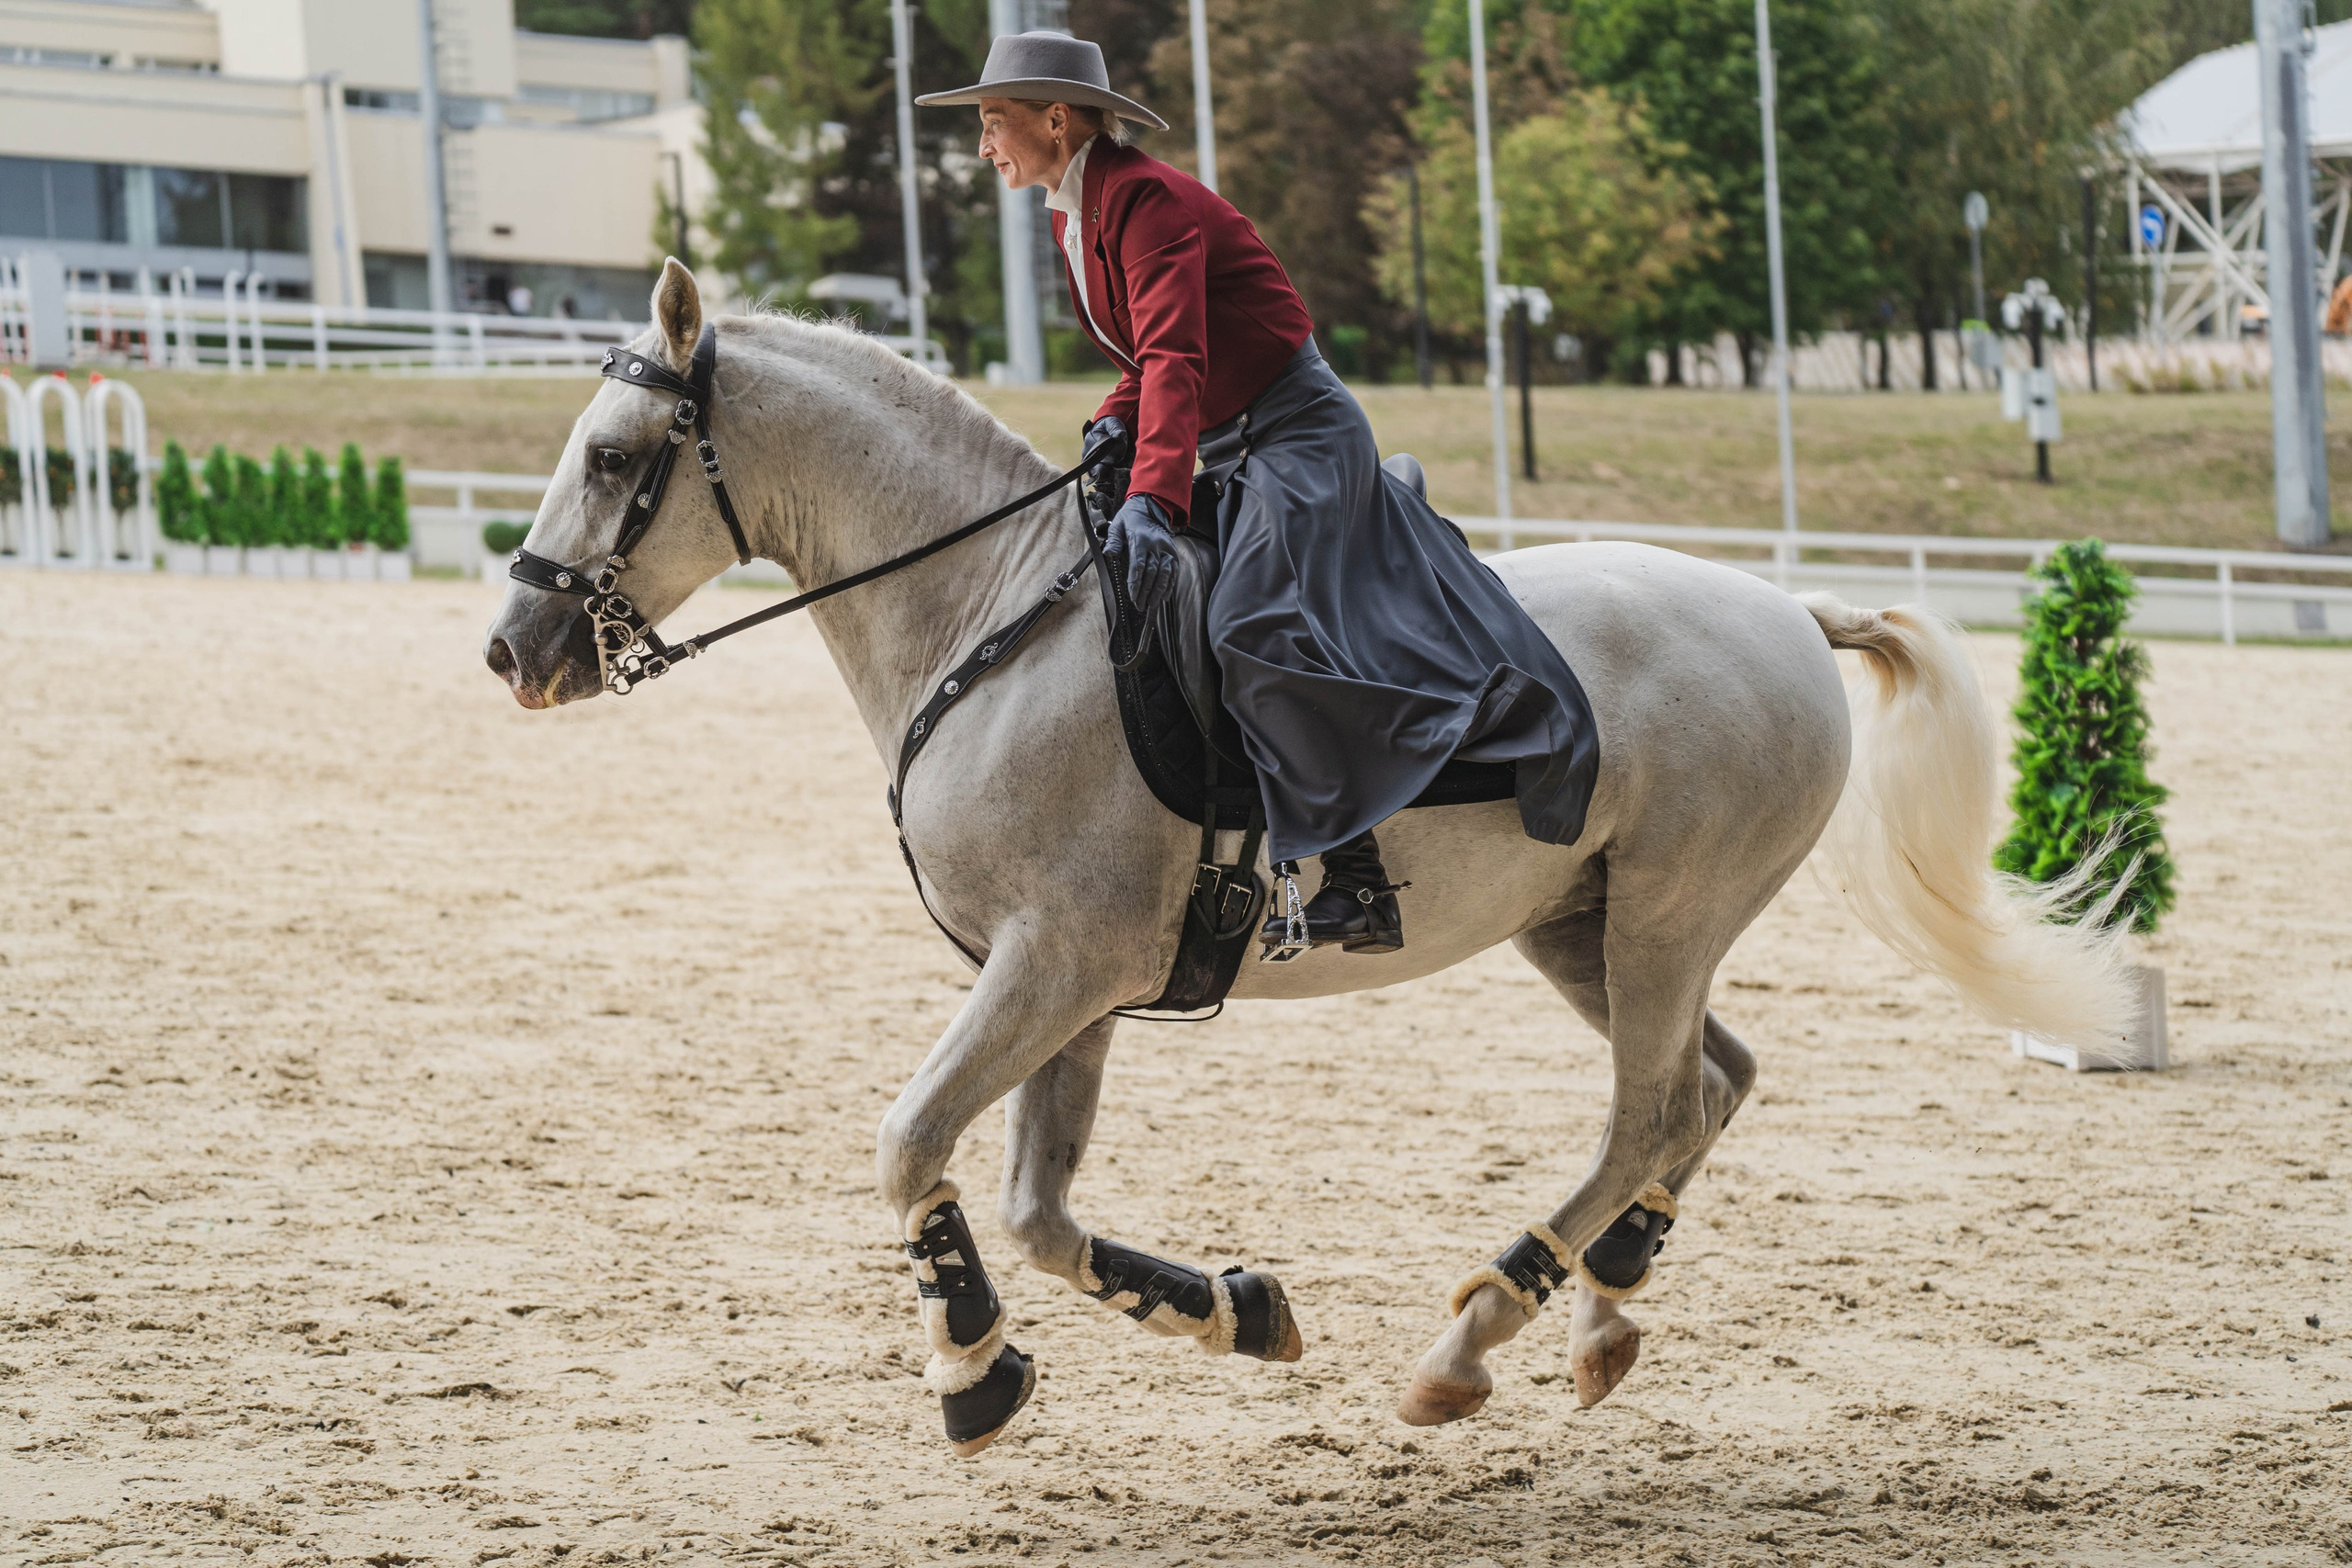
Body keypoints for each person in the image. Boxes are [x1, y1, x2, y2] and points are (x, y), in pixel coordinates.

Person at [919, 34, 1597, 956]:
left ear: (1055, 118)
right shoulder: (1071, 213)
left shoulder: (1146, 201)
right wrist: (1109, 427)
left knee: (1248, 624)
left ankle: (1359, 882)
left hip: (1298, 433)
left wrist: (1154, 500)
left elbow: (1177, 358)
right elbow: (1146, 360)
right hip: (1227, 436)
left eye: (994, 124)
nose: (985, 144)